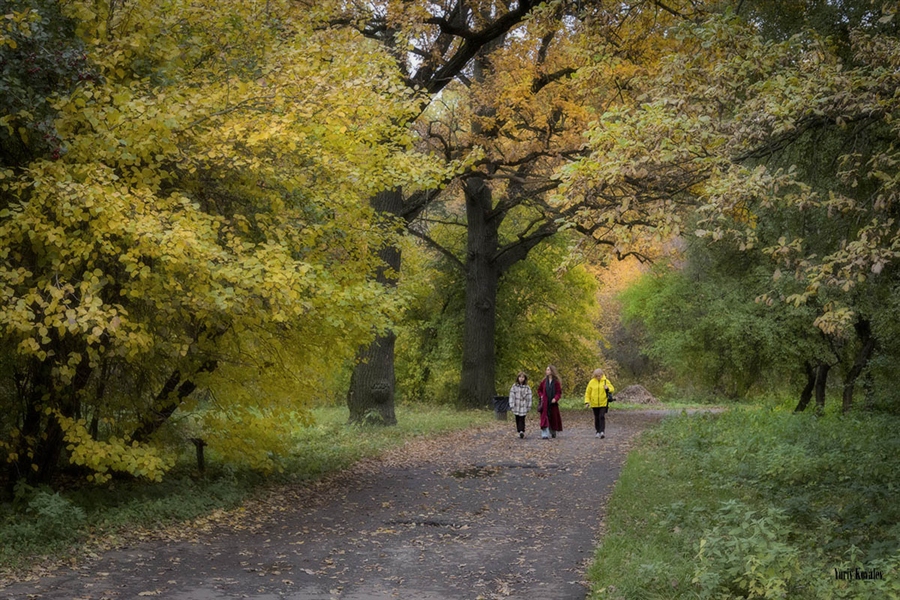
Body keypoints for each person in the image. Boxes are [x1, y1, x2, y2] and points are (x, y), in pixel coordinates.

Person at [584, 368, 615, 438]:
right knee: (596, 417)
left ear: (602, 375)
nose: (598, 377)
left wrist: (608, 388)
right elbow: (588, 393)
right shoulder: (591, 382)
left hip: (603, 402)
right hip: (594, 403)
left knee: (601, 416)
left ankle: (602, 431)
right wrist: (587, 402)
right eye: (596, 376)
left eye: (599, 375)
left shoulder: (605, 381)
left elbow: (612, 389)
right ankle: (597, 431)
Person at [537, 365, 563, 439]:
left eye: (548, 370)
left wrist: (555, 398)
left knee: (553, 418)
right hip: (545, 403)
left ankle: (553, 431)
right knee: (544, 418)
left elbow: (559, 393)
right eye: (546, 370)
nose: (547, 371)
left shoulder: (556, 382)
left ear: (552, 371)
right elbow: (539, 390)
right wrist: (541, 396)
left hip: (553, 403)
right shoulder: (544, 382)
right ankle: (544, 433)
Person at [508, 371, 533, 439]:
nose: (521, 378)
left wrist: (528, 406)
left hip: (523, 406)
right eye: (520, 377)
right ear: (518, 378)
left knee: (522, 418)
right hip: (516, 405)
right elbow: (512, 396)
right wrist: (511, 405)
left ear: (525, 378)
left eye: (523, 377)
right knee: (517, 418)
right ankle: (519, 431)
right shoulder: (514, 386)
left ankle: (522, 430)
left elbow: (529, 398)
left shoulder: (527, 388)